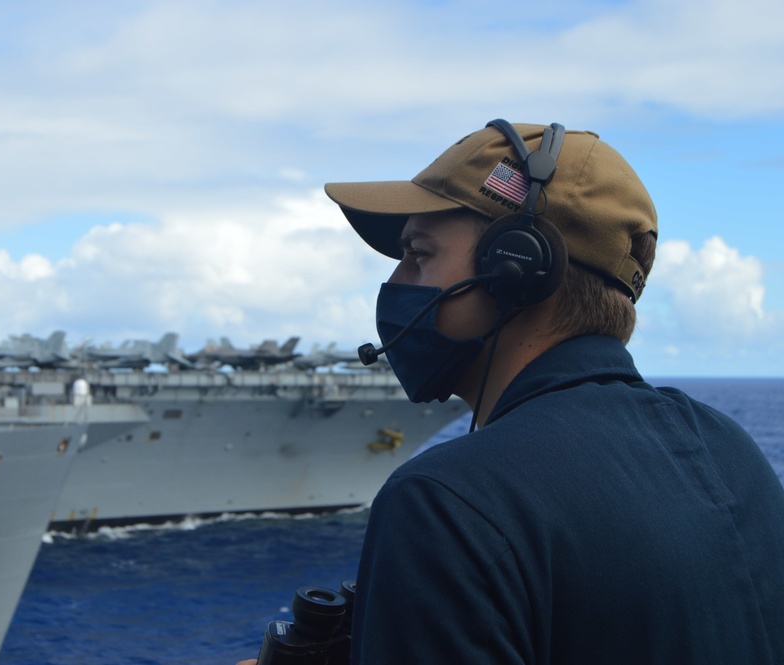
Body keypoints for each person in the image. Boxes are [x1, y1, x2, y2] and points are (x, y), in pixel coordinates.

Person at [240, 120, 784, 664]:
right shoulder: (733, 453)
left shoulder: (446, 501)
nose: (396, 283)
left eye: (418, 253)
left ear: (516, 269)